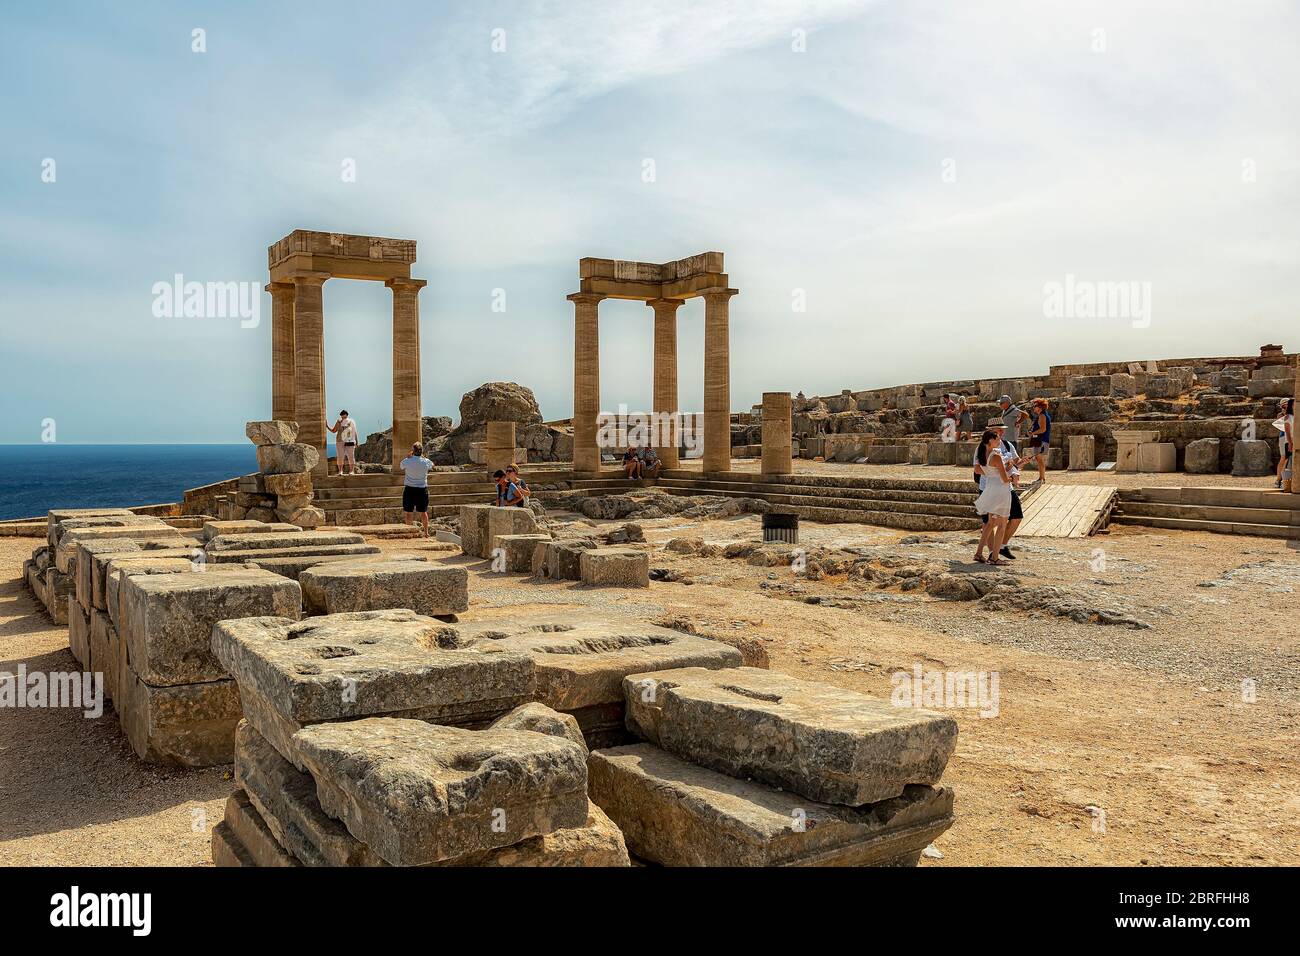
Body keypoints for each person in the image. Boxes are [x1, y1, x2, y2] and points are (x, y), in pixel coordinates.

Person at [973, 419, 1025, 560]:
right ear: (990, 435)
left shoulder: (1001, 447)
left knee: (992, 523)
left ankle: (985, 552)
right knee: (999, 523)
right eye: (998, 430)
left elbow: (1013, 464)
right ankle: (994, 555)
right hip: (999, 488)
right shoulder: (992, 452)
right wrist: (1005, 476)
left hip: (991, 487)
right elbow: (1001, 476)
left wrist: (993, 473)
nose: (1002, 432)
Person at [973, 430, 1013, 565]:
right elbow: (1005, 478)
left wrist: (1008, 468)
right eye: (996, 439)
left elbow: (983, 471)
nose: (999, 440)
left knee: (989, 524)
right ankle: (995, 558)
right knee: (1002, 525)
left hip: (990, 489)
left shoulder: (982, 453)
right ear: (990, 440)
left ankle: (979, 553)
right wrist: (1013, 474)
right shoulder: (995, 455)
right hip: (1001, 490)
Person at [399, 442, 434, 537]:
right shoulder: (426, 461)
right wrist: (423, 457)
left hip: (409, 489)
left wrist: (408, 456)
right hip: (422, 489)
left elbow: (401, 466)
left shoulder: (407, 461)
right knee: (423, 512)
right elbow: (432, 465)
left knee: (408, 512)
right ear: (421, 451)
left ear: (413, 451)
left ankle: (409, 533)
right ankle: (426, 532)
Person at [327, 410, 360, 476]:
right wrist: (327, 426)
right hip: (340, 441)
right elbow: (334, 430)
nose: (343, 418)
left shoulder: (351, 421)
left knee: (351, 456)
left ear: (347, 415)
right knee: (340, 456)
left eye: (344, 416)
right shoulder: (339, 422)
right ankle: (340, 471)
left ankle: (351, 471)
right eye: (342, 417)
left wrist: (357, 441)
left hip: (350, 441)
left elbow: (355, 431)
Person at [1028, 398, 1052, 483]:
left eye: (1035, 406)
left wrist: (1033, 432)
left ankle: (1041, 478)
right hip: (1041, 440)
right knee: (1039, 460)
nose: (1034, 408)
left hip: (1041, 440)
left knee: (1040, 459)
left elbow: (1043, 429)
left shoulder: (1042, 416)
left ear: (1040, 407)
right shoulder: (1042, 415)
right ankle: (1042, 477)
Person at [1274, 398, 1294, 490]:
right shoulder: (1282, 414)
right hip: (1284, 438)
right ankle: (1279, 480)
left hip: (1293, 438)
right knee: (1284, 458)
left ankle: (1286, 480)